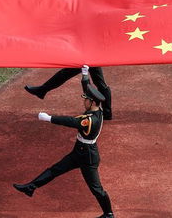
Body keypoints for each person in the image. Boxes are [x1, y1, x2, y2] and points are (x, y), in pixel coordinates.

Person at [13, 66, 114, 218]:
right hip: (79, 152)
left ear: (91, 102)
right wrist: (85, 75)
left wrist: (49, 118)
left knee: (96, 189)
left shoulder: (89, 119)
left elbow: (70, 121)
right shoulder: (97, 110)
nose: (84, 101)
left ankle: (109, 214)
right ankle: (31, 187)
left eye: (85, 99)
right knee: (55, 169)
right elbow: (88, 91)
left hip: (88, 158)